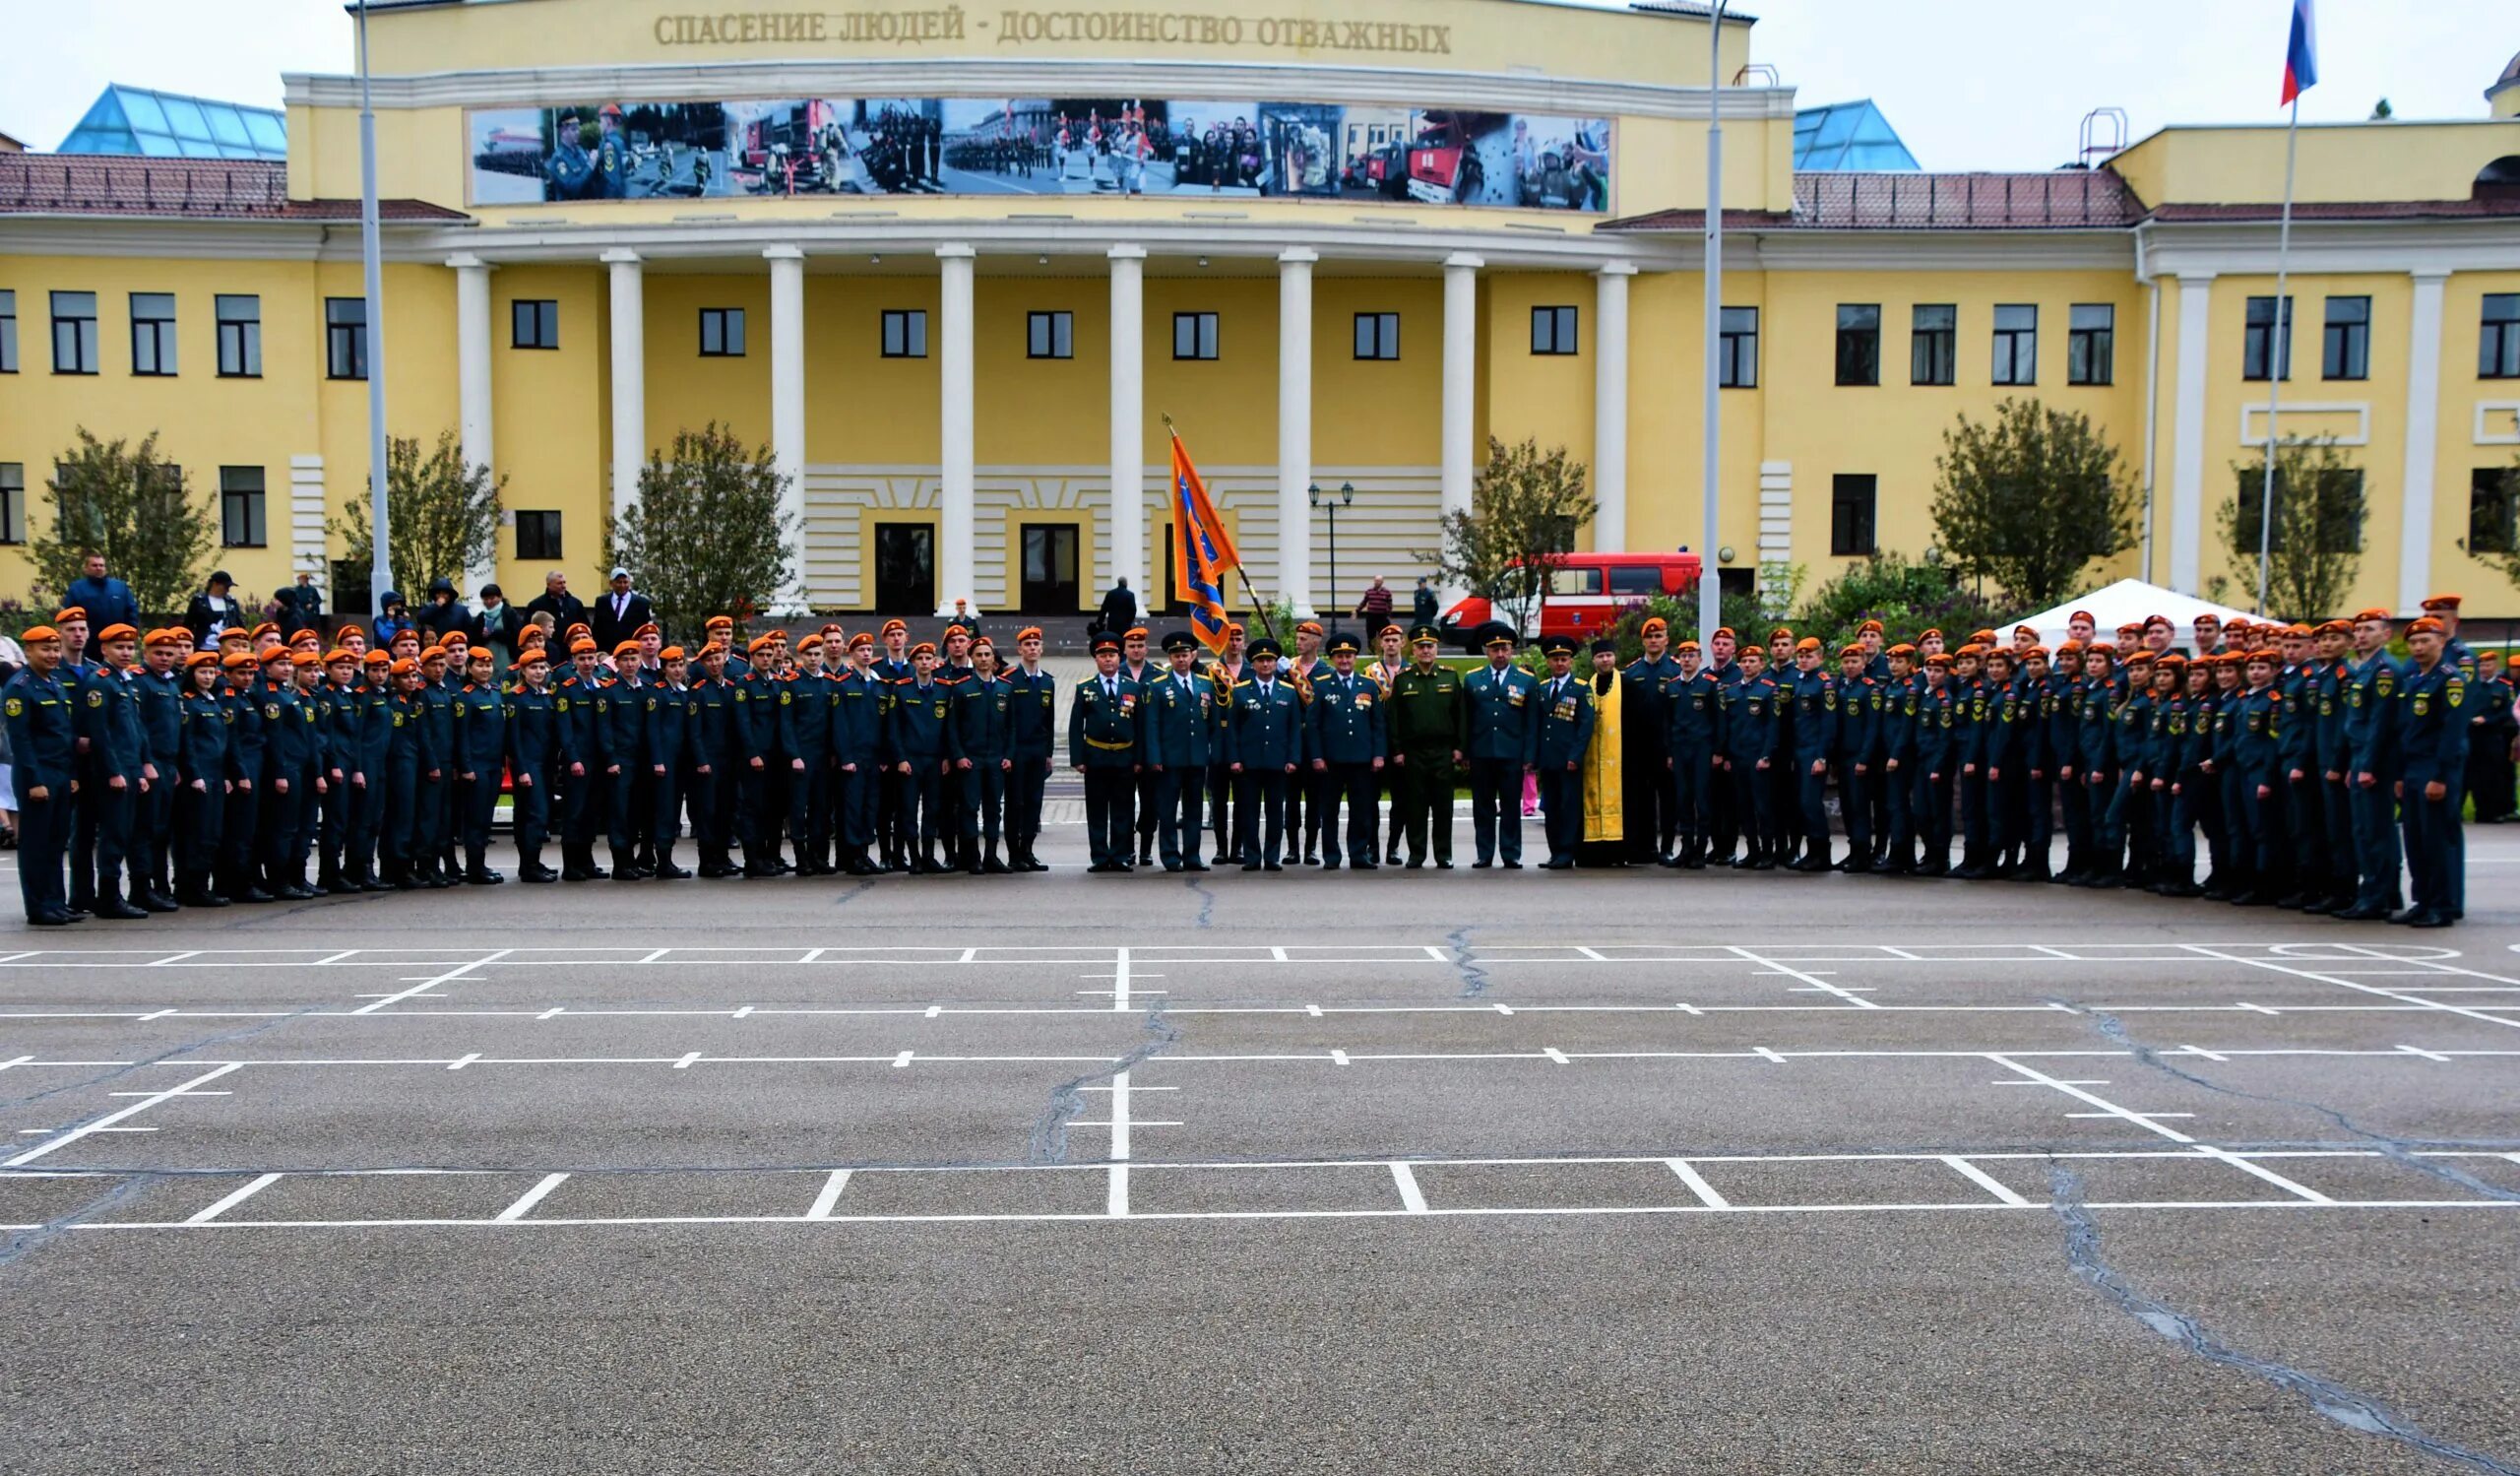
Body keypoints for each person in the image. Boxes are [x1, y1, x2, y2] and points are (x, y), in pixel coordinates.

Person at [2394, 615, 2466, 928]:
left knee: (2437, 838)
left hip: (2434, 768)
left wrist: (2439, 776)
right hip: (2411, 768)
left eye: (2426, 640)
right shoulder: (2413, 679)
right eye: (2413, 642)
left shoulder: (2450, 680)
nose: (2419, 647)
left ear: (2441, 642)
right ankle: (2422, 900)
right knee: (2416, 839)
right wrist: (2398, 774)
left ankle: (2443, 904)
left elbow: (2452, 734)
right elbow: (2404, 730)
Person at [5, 626, 80, 925]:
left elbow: (65, 734)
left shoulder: (56, 683)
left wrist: (72, 773)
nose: (51, 655)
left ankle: (55, 901)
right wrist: (34, 781)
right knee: (36, 844)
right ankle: (38, 907)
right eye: (44, 650)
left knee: (55, 841)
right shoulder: (20, 688)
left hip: (60, 773)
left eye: (54, 649)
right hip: (37, 775)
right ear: (28, 652)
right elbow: (20, 741)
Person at [1306, 632, 1386, 870]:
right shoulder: (1321, 686)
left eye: (1349, 656)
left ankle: (1359, 854)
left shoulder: (1369, 685)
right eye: (1340, 656)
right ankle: (1331, 856)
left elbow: (1378, 724)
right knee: (1328, 810)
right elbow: (1313, 725)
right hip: (1331, 760)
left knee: (1360, 810)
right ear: (1332, 659)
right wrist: (1317, 756)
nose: (1344, 660)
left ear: (1355, 658)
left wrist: (1379, 754)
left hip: (1361, 759)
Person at [1389, 626, 1466, 868]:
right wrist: (1397, 750)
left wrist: (1460, 747)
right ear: (1412, 649)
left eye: (1429, 646)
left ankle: (1443, 854)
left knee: (1443, 806)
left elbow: (1461, 715)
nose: (1425, 650)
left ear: (1436, 649)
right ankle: (1417, 853)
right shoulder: (1403, 679)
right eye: (1420, 646)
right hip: (1413, 753)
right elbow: (1394, 719)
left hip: (1443, 751)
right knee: (1416, 806)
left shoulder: (1449, 677)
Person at [1226, 637, 1303, 870]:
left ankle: (1271, 856)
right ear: (1254, 665)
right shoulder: (1240, 692)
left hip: (1278, 762)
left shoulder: (1288, 692)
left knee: (1274, 812)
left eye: (1270, 660)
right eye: (1261, 661)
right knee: (1249, 811)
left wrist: (1293, 758)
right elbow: (1232, 730)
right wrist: (1235, 759)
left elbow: (1294, 729)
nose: (1266, 665)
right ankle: (1251, 856)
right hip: (1248, 762)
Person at [1143, 632, 1218, 872]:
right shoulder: (1158, 686)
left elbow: (1212, 723)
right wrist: (1154, 757)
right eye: (1176, 656)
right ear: (1170, 658)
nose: (1181, 660)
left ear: (1193, 655)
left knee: (1194, 809)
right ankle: (1170, 856)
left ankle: (1192, 855)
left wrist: (1212, 754)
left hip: (1196, 758)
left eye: (1185, 655)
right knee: (1167, 810)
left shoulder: (1205, 684)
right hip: (1169, 759)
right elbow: (1151, 725)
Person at [1463, 623, 1536, 869]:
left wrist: (1529, 755)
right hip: (1481, 752)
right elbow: (1466, 718)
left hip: (1512, 753)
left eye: (1504, 648)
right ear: (1487, 651)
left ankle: (1511, 852)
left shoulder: (1526, 680)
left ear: (1511, 650)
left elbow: (1531, 722)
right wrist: (1464, 751)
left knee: (1510, 806)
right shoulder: (1473, 679)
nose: (1500, 654)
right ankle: (1484, 853)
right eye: (1495, 649)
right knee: (1482, 807)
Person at [1070, 633, 1144, 873]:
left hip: (1125, 757)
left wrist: (1139, 758)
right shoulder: (1085, 688)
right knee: (1097, 809)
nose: (1108, 660)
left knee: (1123, 809)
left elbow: (1140, 727)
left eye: (1112, 655)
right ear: (1096, 660)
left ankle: (1121, 855)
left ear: (1119, 657)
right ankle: (1100, 856)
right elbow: (1074, 725)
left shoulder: (1133, 687)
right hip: (1096, 757)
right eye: (1103, 656)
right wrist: (1078, 758)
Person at [1529, 637, 1595, 870]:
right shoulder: (1543, 687)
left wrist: (1575, 756)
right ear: (1548, 662)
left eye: (1563, 659)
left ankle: (1567, 851)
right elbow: (1537, 725)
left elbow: (1585, 725)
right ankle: (1555, 851)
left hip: (1569, 760)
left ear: (1571, 662)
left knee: (1569, 807)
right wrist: (1534, 757)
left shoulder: (1580, 687)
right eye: (1555, 659)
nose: (1559, 663)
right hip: (1548, 758)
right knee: (1551, 807)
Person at [66, 552, 141, 631]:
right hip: (88, 639)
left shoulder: (120, 587)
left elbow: (131, 611)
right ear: (86, 569)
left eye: (101, 565)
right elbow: (69, 615)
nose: (98, 568)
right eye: (94, 565)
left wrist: (131, 632)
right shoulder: (77, 588)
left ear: (105, 568)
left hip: (116, 638)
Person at [587, 569, 650, 651]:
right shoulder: (602, 602)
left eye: (625, 582)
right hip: (607, 653)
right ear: (611, 583)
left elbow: (644, 630)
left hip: (631, 652)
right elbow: (597, 628)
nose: (622, 585)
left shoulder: (641, 603)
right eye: (619, 582)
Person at [472, 584, 527, 676]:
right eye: (485, 599)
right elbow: (473, 639)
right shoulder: (481, 617)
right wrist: (482, 635)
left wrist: (494, 633)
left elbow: (517, 636)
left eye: (492, 598)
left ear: (500, 597)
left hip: (507, 658)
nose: (489, 602)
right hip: (487, 659)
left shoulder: (509, 613)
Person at [184, 571, 246, 645]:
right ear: (215, 584)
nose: (227, 590)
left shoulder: (231, 602)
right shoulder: (199, 601)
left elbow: (239, 622)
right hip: (203, 646)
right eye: (225, 587)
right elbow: (188, 624)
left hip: (226, 646)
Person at [417, 577, 471, 641]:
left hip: (454, 645)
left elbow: (469, 631)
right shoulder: (430, 608)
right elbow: (420, 618)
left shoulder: (462, 610)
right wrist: (436, 606)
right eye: (438, 593)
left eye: (445, 593)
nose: (441, 596)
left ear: (450, 594)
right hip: (436, 646)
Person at [1097, 578, 1139, 643]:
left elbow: (1104, 609)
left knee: (1113, 641)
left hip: (1112, 623)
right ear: (1126, 583)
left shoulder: (1110, 594)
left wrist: (1100, 621)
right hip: (1125, 624)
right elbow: (1133, 610)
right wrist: (1129, 620)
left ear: (1118, 583)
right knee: (1124, 641)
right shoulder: (1130, 595)